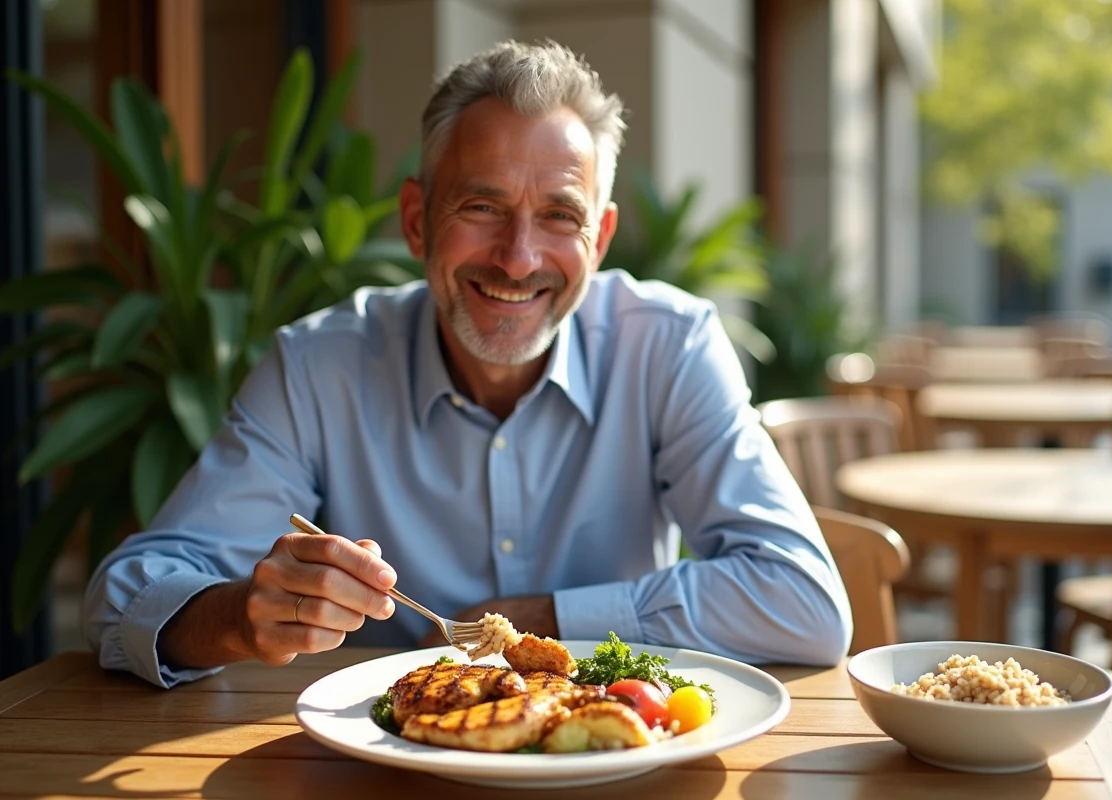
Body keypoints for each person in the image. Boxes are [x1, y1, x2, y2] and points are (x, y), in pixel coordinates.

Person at [84, 40, 853, 688]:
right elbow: (123, 598)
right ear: (417, 220)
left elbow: (803, 601)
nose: (518, 260)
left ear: (601, 238)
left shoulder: (670, 346)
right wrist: (241, 619)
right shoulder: (318, 366)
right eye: (481, 208)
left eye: (559, 216)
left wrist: (534, 620)